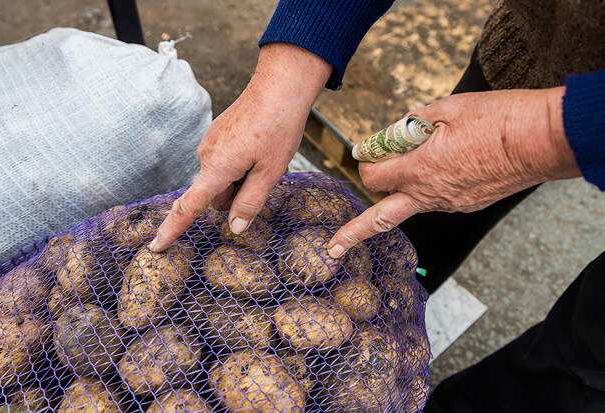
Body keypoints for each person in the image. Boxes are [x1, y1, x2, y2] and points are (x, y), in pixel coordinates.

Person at [149, 1, 605, 411]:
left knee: (580, 365)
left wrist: (539, 137)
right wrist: (287, 70)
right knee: (419, 223)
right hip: (539, 47)